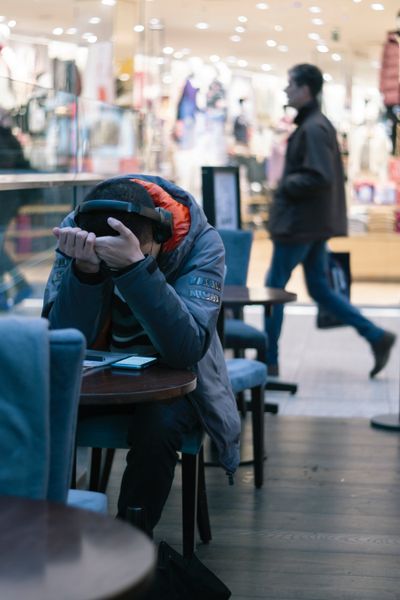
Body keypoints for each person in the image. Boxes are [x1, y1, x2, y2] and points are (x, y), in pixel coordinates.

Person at [42, 174, 241, 532]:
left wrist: (135, 269)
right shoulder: (78, 233)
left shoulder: (199, 242)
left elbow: (186, 348)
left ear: (161, 237)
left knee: (158, 426)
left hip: (175, 381)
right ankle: (43, 532)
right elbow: (61, 341)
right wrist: (86, 272)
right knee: (37, 405)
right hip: (97, 379)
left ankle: (128, 542)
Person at [264, 63, 396, 379]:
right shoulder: (315, 125)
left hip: (300, 226)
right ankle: (376, 336)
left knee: (273, 289)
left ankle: (268, 360)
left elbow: (318, 176)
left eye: (290, 85)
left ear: (305, 89)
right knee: (320, 290)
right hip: (311, 224)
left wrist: (283, 184)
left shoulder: (312, 128)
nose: (286, 91)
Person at [0, 114, 34, 310]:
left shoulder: (5, 140)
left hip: (4, 201)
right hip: (8, 201)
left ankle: (17, 287)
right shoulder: (9, 138)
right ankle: (9, 290)